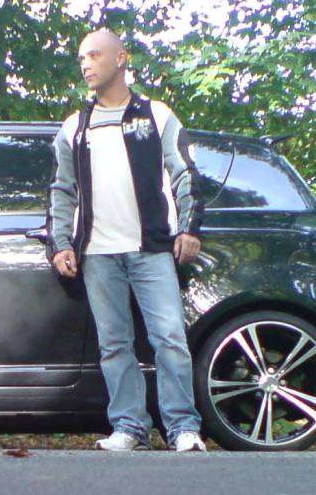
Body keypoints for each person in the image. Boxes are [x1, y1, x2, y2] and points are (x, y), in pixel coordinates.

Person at [46, 28, 207, 452]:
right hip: (97, 254)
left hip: (151, 249)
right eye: (81, 58)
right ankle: (130, 428)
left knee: (169, 339)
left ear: (121, 59)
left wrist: (189, 228)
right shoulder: (75, 126)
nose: (86, 64)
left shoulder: (157, 115)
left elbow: (185, 173)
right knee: (114, 345)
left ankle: (183, 429)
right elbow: (62, 189)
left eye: (94, 55)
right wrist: (61, 244)